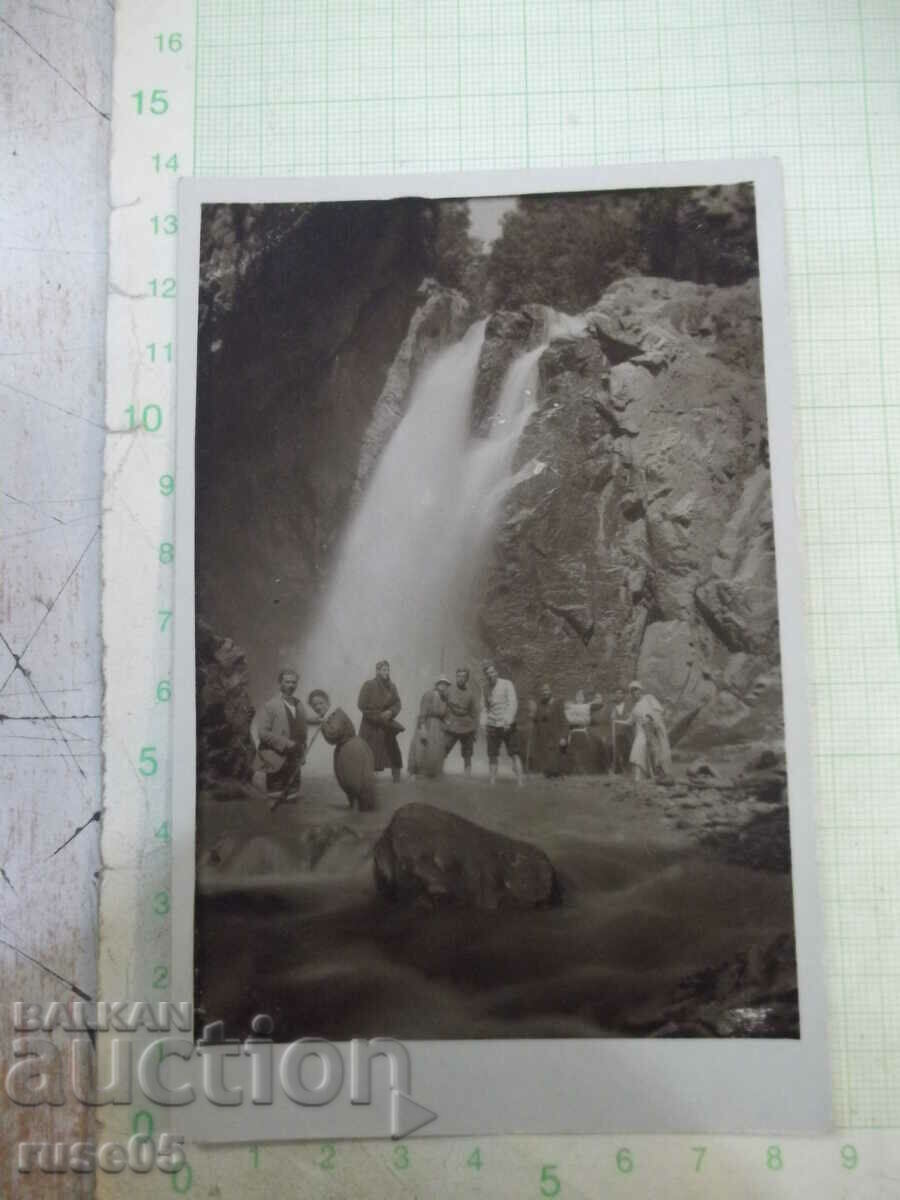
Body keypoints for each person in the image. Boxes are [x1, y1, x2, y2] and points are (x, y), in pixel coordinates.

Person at [307, 690, 376, 811]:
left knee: (355, 782)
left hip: (353, 750)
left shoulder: (337, 714)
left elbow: (332, 735)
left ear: (328, 703)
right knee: (348, 782)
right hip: (345, 749)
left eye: (320, 703)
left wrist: (321, 723)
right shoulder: (330, 715)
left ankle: (362, 815)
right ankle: (359, 813)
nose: (318, 707)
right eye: (314, 705)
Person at [256, 667, 308, 811]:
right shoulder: (270, 705)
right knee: (274, 801)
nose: (291, 685)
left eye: (293, 682)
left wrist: (302, 752)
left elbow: (303, 730)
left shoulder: (299, 704)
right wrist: (286, 743)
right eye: (287, 682)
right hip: (275, 759)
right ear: (280, 684)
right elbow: (262, 733)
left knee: (292, 802)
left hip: (294, 760)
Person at [357, 660, 404, 781]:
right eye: (384, 670)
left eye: (388, 670)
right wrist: (377, 716)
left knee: (393, 751)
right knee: (369, 752)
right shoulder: (369, 685)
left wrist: (391, 712)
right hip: (370, 725)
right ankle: (367, 779)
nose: (386, 672)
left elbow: (397, 703)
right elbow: (361, 704)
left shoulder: (392, 687)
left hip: (386, 725)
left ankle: (397, 778)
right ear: (377, 671)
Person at [482, 662, 523, 786]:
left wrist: (508, 720)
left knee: (514, 753)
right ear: (486, 675)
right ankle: (492, 781)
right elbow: (484, 708)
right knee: (492, 754)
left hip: (507, 724)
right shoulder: (485, 688)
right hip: (492, 724)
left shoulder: (507, 684)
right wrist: (483, 723)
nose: (491, 675)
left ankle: (520, 781)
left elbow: (513, 703)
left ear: (497, 672)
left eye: (492, 672)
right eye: (488, 673)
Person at [624, 680, 672, 781]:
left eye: (636, 690)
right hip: (641, 733)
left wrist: (652, 719)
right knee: (637, 749)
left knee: (657, 753)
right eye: (632, 691)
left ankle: (659, 774)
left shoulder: (649, 698)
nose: (634, 693)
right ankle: (638, 777)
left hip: (654, 730)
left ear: (640, 690)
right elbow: (629, 722)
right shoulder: (635, 708)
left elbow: (659, 711)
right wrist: (615, 721)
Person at [409, 676, 451, 778]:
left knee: (436, 749)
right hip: (428, 723)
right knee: (422, 747)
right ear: (437, 684)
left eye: (445, 684)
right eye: (441, 683)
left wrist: (447, 722)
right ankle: (416, 772)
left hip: (438, 726)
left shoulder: (445, 698)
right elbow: (423, 711)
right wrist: (423, 727)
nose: (443, 686)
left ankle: (431, 773)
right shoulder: (429, 694)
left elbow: (446, 714)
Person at [443, 667, 479, 775]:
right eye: (459, 676)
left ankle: (467, 774)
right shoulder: (448, 690)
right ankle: (438, 770)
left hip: (467, 725)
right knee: (444, 748)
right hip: (452, 724)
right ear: (456, 677)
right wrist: (445, 720)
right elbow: (442, 705)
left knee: (468, 753)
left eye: (463, 676)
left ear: (467, 678)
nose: (461, 678)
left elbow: (474, 714)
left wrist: (475, 731)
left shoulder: (471, 694)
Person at [532, 683, 570, 778]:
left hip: (556, 737)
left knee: (556, 760)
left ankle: (559, 775)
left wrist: (564, 737)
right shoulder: (540, 705)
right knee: (546, 761)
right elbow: (536, 721)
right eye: (543, 691)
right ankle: (549, 775)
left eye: (547, 690)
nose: (545, 693)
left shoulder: (557, 704)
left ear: (551, 691)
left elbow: (565, 722)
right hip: (544, 738)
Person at [609, 688, 632, 774]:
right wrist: (611, 717)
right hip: (617, 733)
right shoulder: (612, 706)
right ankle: (618, 769)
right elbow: (610, 719)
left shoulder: (628, 706)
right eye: (616, 694)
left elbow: (631, 718)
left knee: (628, 749)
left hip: (627, 732)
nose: (618, 695)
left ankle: (627, 768)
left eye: (620, 693)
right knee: (616, 750)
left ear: (623, 695)